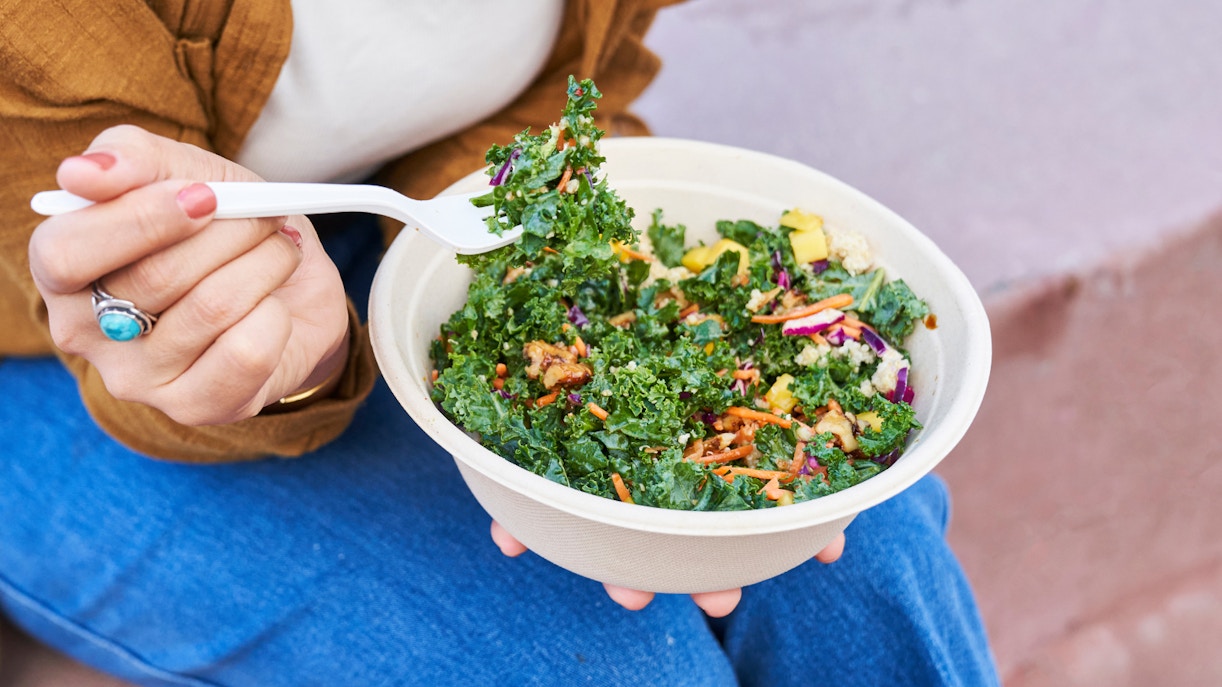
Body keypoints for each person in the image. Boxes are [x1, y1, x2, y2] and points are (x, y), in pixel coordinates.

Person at [0, 0, 1001, 684]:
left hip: (390, 227)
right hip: (45, 350)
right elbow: (102, 287)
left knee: (865, 556)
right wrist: (268, 348)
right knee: (608, 667)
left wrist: (553, 306)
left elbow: (557, 85)